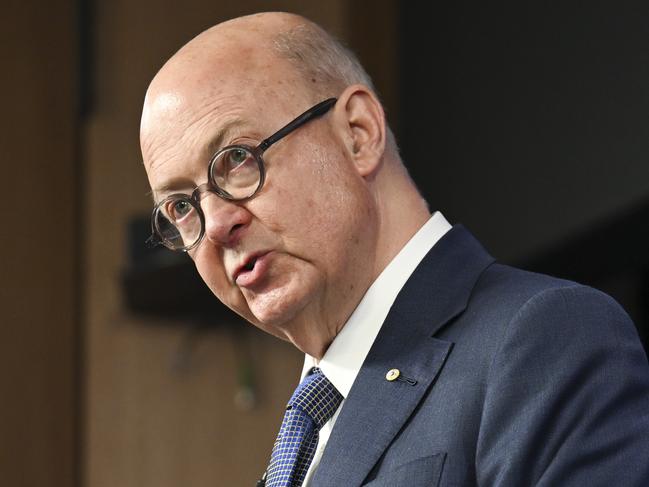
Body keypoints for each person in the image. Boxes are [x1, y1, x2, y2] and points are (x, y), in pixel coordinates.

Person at [139, 12, 649, 487]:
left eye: (237, 159)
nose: (216, 225)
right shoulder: (310, 427)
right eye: (182, 207)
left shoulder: (546, 337)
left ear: (358, 134)